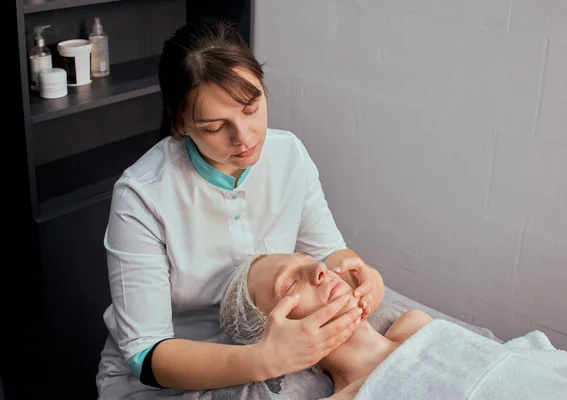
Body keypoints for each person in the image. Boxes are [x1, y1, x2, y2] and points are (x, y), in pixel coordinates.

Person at [95, 18, 385, 399]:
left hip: (274, 355)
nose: (244, 137)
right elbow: (146, 354)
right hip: (171, 375)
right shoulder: (143, 197)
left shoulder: (289, 155)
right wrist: (266, 360)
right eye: (216, 127)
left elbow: (329, 253)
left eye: (251, 108)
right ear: (180, 122)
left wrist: (365, 275)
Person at [219, 252, 434, 400]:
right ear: (275, 332)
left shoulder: (416, 324)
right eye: (290, 284)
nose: (320, 267)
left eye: (309, 259)